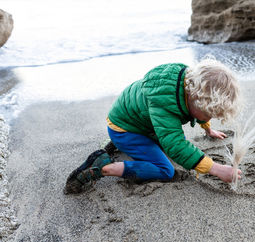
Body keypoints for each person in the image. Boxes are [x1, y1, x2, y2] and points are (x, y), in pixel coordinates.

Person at [64, 58, 242, 194]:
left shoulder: (188, 81)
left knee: (163, 146)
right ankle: (104, 167)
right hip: (125, 129)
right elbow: (177, 146)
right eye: (209, 114)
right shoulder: (165, 106)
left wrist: (208, 129)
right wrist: (217, 170)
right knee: (165, 170)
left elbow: (200, 109)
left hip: (137, 120)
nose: (209, 117)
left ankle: (121, 144)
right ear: (195, 98)